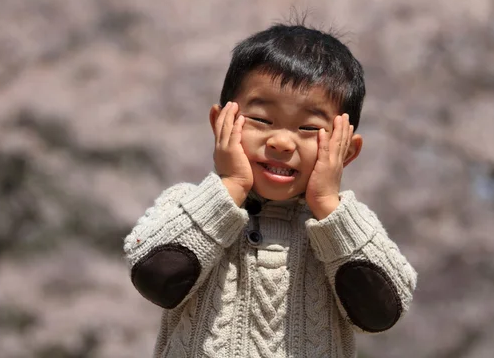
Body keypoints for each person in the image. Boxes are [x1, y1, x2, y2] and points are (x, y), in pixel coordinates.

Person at [124, 23, 417, 358]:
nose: (280, 141)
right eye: (262, 120)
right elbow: (153, 276)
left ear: (346, 150)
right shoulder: (187, 204)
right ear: (221, 123)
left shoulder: (347, 226)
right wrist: (230, 187)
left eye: (309, 128)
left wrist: (327, 206)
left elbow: (383, 311)